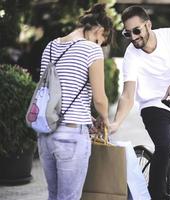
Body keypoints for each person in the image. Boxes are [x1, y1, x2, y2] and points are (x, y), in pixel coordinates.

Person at [110, 5, 170, 200]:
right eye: (127, 33)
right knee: (164, 146)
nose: (133, 37)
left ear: (148, 25)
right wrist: (117, 122)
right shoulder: (131, 55)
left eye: (137, 30)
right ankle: (157, 196)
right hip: (154, 106)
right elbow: (128, 94)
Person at [37, 4, 113, 200]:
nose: (100, 46)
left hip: (45, 134)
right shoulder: (92, 50)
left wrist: (88, 118)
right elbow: (99, 99)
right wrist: (104, 119)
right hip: (71, 135)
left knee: (54, 196)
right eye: (101, 41)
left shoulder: (50, 46)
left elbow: (50, 94)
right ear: (100, 30)